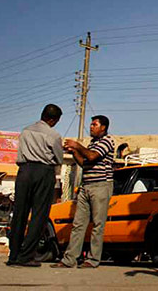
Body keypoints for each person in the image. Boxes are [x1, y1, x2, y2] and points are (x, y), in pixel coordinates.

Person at [52, 115, 115, 269]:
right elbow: (84, 162)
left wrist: (77, 146)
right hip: (86, 186)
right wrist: (74, 151)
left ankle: (93, 259)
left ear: (103, 127)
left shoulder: (108, 141)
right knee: (78, 224)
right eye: (91, 124)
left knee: (98, 225)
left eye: (94, 124)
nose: (91, 127)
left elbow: (92, 156)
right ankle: (70, 259)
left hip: (101, 186)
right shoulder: (92, 144)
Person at [8, 104, 63, 267]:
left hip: (24, 171)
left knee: (20, 213)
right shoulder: (53, 135)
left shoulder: (25, 130)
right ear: (53, 120)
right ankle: (27, 256)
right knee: (39, 215)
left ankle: (14, 255)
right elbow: (59, 158)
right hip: (44, 172)